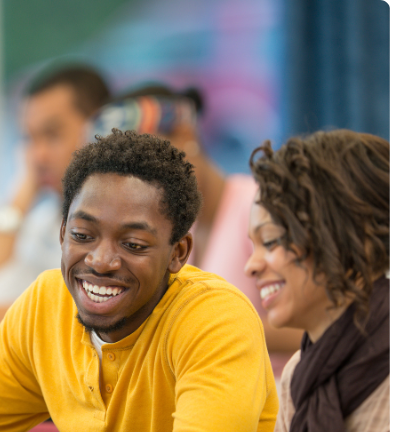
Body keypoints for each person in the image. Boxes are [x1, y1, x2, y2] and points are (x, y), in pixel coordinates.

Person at [0, 129, 278, 432]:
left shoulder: (216, 317)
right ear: (62, 234)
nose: (101, 260)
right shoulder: (46, 302)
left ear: (179, 251)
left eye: (133, 245)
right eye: (82, 235)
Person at [164, 130, 390, 432]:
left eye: (270, 241)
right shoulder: (303, 371)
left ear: (349, 235)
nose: (251, 266)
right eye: (253, 245)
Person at [89, 86, 303, 376]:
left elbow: (314, 325)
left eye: (148, 164)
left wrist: (195, 330)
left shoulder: (261, 205)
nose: (141, 185)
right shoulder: (171, 231)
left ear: (185, 135)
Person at [0, 64, 111, 336]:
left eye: (51, 135)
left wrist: (15, 316)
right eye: (29, 139)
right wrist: (21, 194)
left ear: (102, 129)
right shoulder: (45, 219)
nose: (38, 156)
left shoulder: (124, 219)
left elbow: (110, 310)